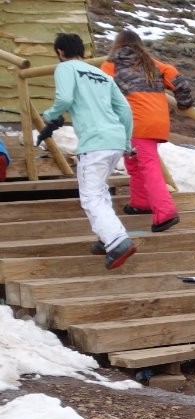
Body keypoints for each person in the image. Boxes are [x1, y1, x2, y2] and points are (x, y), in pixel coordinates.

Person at [40, 33, 136, 269]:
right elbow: (125, 109)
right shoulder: (102, 75)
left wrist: (50, 115)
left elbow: (64, 98)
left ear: (60, 52)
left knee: (90, 196)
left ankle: (117, 241)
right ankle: (106, 238)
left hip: (94, 142)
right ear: (82, 51)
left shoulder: (65, 68)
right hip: (114, 139)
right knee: (100, 191)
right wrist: (126, 141)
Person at [100, 29, 191, 232]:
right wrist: (184, 102)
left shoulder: (111, 65)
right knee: (134, 163)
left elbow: (101, 93)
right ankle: (141, 203)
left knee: (148, 166)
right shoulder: (152, 63)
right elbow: (175, 76)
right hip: (157, 121)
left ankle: (165, 212)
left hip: (135, 123)